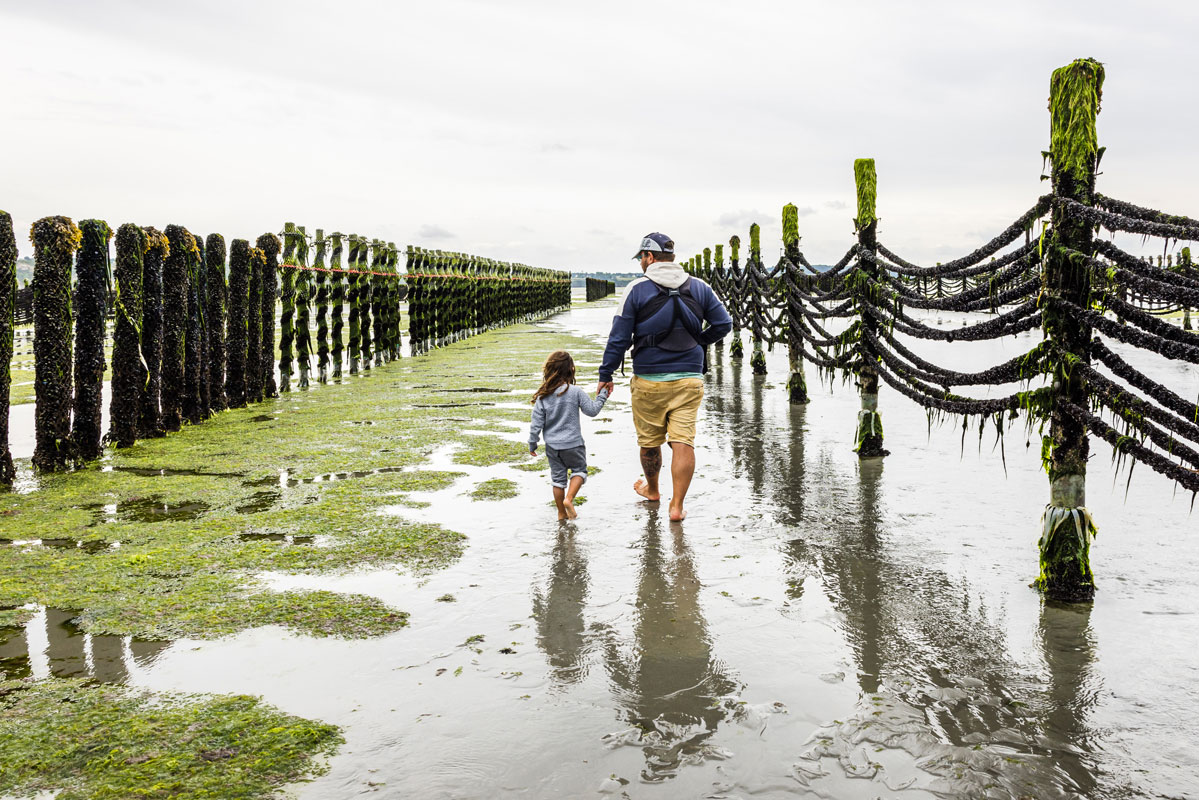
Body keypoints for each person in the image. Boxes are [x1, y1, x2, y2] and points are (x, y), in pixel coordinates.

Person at [597, 232, 732, 521]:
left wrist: (605, 373)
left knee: (649, 441)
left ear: (649, 257)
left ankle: (654, 490)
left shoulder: (636, 289)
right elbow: (724, 323)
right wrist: (699, 342)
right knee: (683, 440)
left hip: (649, 380)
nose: (640, 264)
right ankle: (677, 506)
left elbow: (619, 337)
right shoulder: (700, 287)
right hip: (689, 379)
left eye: (641, 258)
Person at [529, 350, 610, 520]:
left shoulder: (543, 397)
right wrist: (603, 394)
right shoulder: (575, 392)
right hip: (574, 444)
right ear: (571, 370)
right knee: (579, 470)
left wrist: (533, 443)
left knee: (558, 480)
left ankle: (560, 513)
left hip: (553, 447)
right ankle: (569, 499)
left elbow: (536, 424)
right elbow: (593, 410)